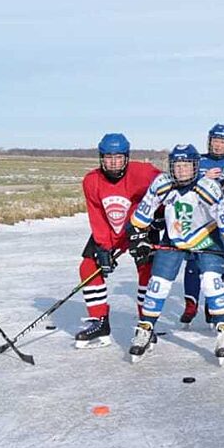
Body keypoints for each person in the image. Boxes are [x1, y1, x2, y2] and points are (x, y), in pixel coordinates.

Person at [126, 144, 224, 363]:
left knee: (211, 283)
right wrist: (137, 236)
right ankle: (145, 329)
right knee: (158, 284)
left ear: (196, 167)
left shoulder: (209, 188)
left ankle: (223, 329)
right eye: (177, 165)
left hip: (206, 236)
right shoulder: (162, 184)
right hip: (174, 239)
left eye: (187, 165)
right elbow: (142, 215)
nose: (182, 170)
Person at [72, 133, 163, 349]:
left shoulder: (143, 173)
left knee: (146, 270)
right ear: (101, 158)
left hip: (140, 227)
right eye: (108, 157)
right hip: (111, 231)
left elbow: (167, 185)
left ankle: (146, 324)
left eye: (118, 157)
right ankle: (100, 321)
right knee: (88, 267)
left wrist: (158, 216)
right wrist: (103, 247)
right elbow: (97, 215)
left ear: (127, 157)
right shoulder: (91, 181)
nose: (113, 162)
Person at [180, 123, 224, 326]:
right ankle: (191, 303)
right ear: (209, 141)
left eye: (223, 142)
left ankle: (212, 303)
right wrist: (203, 179)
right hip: (197, 223)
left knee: (217, 263)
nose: (218, 145)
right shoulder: (198, 161)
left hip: (221, 224)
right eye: (215, 141)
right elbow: (183, 183)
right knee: (193, 262)